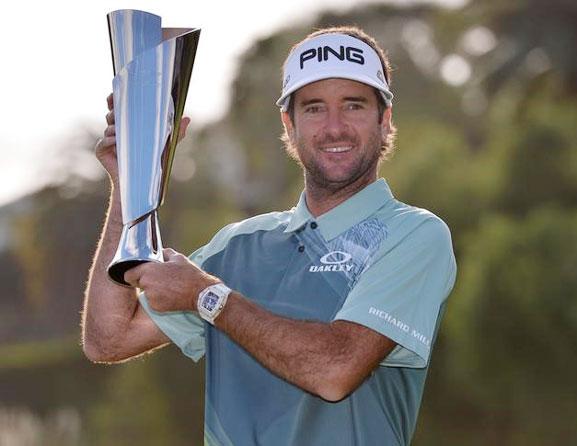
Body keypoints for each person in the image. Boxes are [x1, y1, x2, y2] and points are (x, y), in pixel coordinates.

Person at [82, 26, 457, 446]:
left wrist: (208, 298)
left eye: (353, 105)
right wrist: (129, 184)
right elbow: (108, 339)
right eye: (314, 109)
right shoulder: (235, 246)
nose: (334, 128)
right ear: (289, 124)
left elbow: (335, 371)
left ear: (384, 121)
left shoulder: (413, 235)